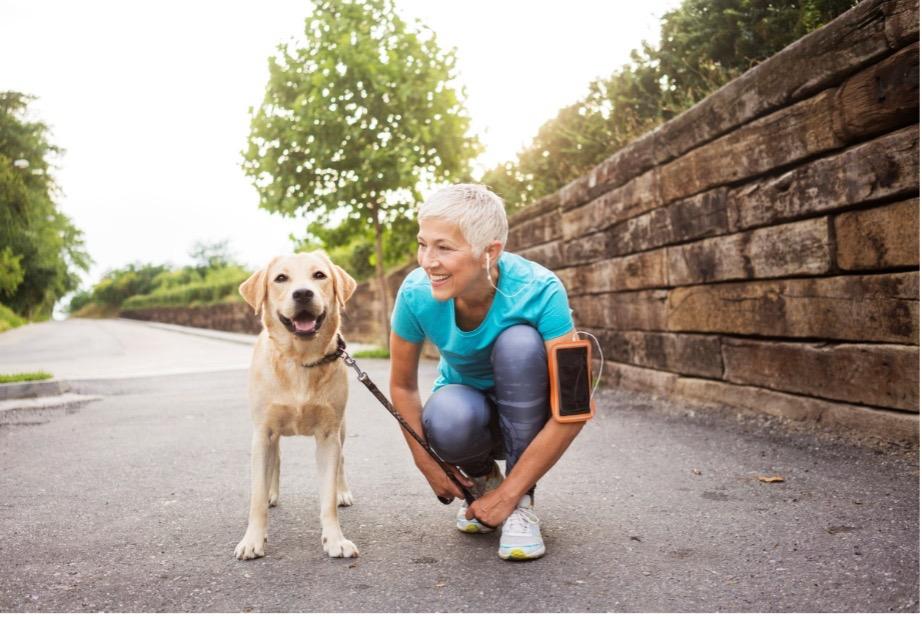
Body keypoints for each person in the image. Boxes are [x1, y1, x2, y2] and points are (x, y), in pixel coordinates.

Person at [389, 183, 585, 561]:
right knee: (446, 415)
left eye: (444, 247)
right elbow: (402, 386)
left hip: (533, 417)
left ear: (489, 252)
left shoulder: (541, 289)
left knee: (520, 344)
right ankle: (483, 482)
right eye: (423, 243)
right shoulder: (415, 293)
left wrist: (509, 497)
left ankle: (520, 502)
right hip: (470, 420)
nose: (427, 261)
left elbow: (574, 407)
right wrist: (427, 463)